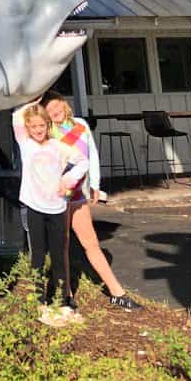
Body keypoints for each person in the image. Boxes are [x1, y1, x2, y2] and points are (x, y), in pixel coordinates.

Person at [42, 90, 143, 312]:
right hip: (58, 195)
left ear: (63, 102)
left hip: (79, 194)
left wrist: (95, 184)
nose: (54, 111)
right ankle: (65, 294)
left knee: (91, 243)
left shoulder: (80, 125)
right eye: (48, 109)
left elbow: (92, 155)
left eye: (55, 105)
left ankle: (117, 293)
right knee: (63, 245)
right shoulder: (47, 132)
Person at [12, 102, 88, 323]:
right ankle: (40, 302)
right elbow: (16, 115)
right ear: (27, 127)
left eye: (41, 125)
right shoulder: (26, 145)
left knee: (58, 255)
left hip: (57, 207)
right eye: (33, 126)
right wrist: (35, 99)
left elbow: (82, 162)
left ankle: (64, 302)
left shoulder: (58, 146)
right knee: (37, 255)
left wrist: (69, 181)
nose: (37, 129)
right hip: (34, 207)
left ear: (48, 124)